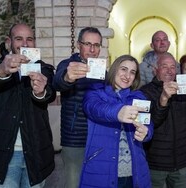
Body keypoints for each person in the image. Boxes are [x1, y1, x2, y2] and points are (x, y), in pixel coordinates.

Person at [0, 23, 56, 187]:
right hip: (2, 155)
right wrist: (1, 72)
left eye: (29, 39)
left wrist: (40, 91)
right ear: (9, 42)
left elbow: (49, 94)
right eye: (19, 39)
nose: (25, 44)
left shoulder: (44, 69)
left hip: (36, 153)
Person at [79, 55, 154, 188]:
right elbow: (93, 108)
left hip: (134, 169)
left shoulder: (138, 97)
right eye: (123, 69)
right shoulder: (96, 92)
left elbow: (147, 123)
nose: (127, 75)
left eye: (132, 72)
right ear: (114, 70)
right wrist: (117, 112)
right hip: (103, 168)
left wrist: (146, 132)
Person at [52, 27, 103, 188]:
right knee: (74, 184)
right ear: (78, 45)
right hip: (74, 139)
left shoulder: (103, 70)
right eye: (88, 44)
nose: (93, 49)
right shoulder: (67, 65)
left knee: (95, 183)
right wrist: (68, 77)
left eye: (96, 45)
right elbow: (57, 82)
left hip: (98, 138)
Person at [140, 52, 186, 188]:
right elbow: (151, 124)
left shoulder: (183, 89)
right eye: (164, 66)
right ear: (155, 69)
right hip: (156, 163)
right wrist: (163, 98)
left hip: (182, 161)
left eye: (173, 67)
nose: (169, 70)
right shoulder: (145, 92)